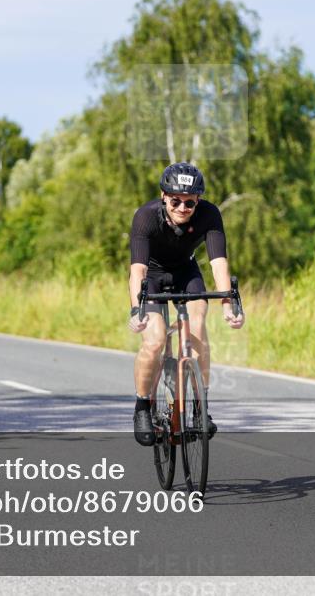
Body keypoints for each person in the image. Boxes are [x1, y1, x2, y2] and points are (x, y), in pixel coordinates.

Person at [127, 162, 245, 446]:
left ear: (198, 201)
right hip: (152, 277)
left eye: (189, 203)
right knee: (154, 341)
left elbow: (218, 263)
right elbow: (137, 271)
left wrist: (228, 305)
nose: (182, 208)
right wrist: (136, 310)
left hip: (186, 273)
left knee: (196, 332)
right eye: (175, 201)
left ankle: (200, 406)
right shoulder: (146, 216)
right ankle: (143, 406)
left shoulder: (209, 214)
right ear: (163, 196)